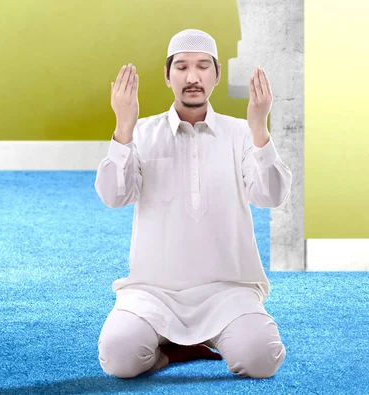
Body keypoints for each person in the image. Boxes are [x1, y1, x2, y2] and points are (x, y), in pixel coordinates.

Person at [94, 29, 292, 379]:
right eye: (182, 66)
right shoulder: (141, 132)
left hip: (228, 290)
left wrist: (260, 126)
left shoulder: (241, 134)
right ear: (168, 76)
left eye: (203, 66)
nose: (192, 76)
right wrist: (123, 125)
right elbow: (113, 196)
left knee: (262, 359)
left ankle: (212, 336)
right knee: (119, 359)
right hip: (153, 291)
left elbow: (272, 196)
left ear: (216, 75)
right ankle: (171, 352)